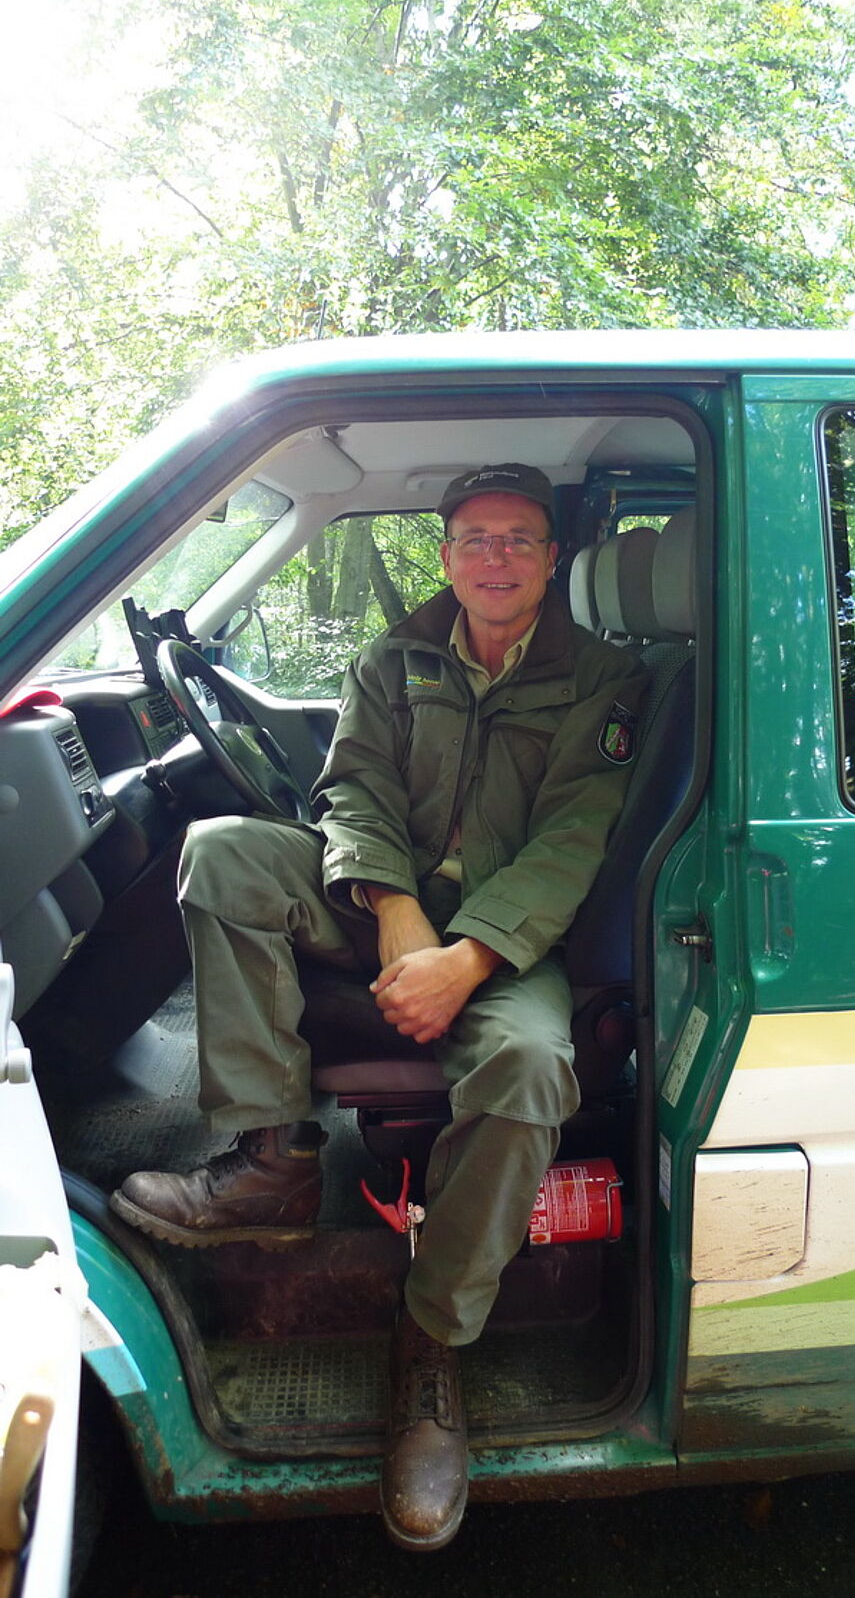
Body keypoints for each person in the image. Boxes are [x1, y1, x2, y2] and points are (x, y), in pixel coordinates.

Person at [111, 462, 648, 1551]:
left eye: (519, 538)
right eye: (475, 538)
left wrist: (466, 957)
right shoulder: (392, 658)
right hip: (382, 902)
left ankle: (432, 1333)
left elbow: (572, 838)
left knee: (531, 1065)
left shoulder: (605, 679)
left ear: (553, 558)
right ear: (445, 555)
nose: (495, 557)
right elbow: (352, 788)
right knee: (223, 852)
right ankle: (273, 1159)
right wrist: (394, 911)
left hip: (510, 938)